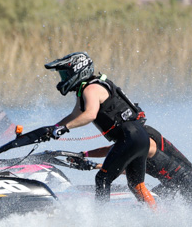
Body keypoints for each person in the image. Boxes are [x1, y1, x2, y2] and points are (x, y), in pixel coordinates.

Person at [44, 52, 156, 208]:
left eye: (65, 74)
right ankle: (157, 215)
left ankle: (101, 219)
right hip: (140, 137)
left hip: (129, 137)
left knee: (102, 179)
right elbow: (76, 114)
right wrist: (54, 128)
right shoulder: (90, 86)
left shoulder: (90, 89)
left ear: (78, 71)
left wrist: (64, 129)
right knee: (136, 185)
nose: (63, 79)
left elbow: (90, 114)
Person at [70, 125, 192, 203]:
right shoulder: (138, 138)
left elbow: (125, 165)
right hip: (170, 184)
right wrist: (84, 154)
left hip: (188, 181)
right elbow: (114, 152)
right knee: (149, 201)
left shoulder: (147, 143)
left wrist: (95, 165)